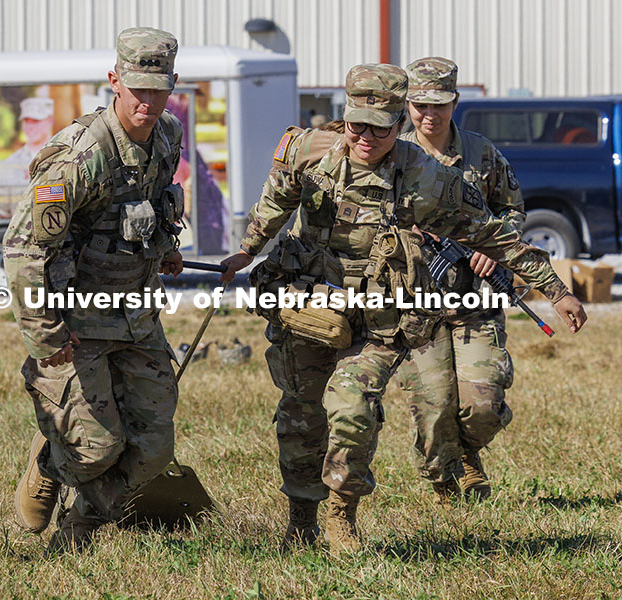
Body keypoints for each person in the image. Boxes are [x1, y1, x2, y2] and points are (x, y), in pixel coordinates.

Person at [220, 63, 586, 556]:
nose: (367, 137)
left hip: (376, 320)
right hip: (307, 309)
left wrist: (555, 289)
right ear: (343, 118)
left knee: (350, 411)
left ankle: (340, 515)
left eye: (381, 127)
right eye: (357, 126)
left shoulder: (425, 177)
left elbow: (491, 233)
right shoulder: (308, 149)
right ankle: (300, 520)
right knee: (301, 417)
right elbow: (277, 195)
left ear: (399, 123)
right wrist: (248, 248)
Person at [4, 27, 185, 554]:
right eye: (137, 90)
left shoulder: (168, 135)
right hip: (77, 324)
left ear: (172, 84)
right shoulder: (80, 157)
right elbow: (23, 253)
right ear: (114, 81)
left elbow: (152, 202)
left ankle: (81, 523)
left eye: (158, 90)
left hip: (136, 316)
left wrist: (166, 245)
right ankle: (50, 460)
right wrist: (44, 336)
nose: (147, 103)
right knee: (96, 448)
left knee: (153, 449)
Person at [395, 57, 524, 503]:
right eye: (419, 105)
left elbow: (513, 211)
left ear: (455, 102)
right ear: (407, 103)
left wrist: (494, 249)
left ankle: (468, 453)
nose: (430, 115)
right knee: (434, 409)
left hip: (476, 301)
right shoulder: (393, 153)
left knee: (482, 406)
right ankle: (445, 482)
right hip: (415, 306)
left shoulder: (482, 153)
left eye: (440, 105)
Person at [6, 97, 55, 165]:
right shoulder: (13, 160)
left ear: (50, 121)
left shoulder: (63, 156)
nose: (30, 127)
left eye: (35, 121)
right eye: (26, 121)